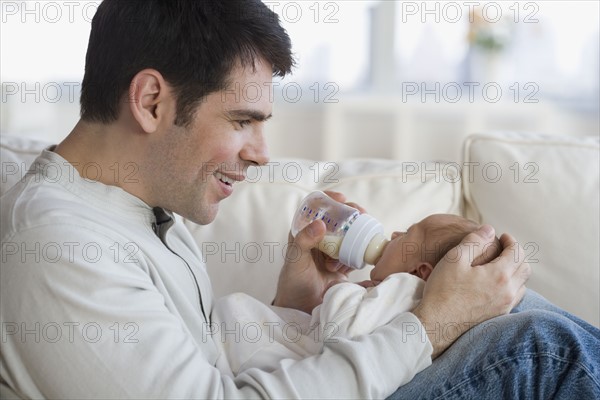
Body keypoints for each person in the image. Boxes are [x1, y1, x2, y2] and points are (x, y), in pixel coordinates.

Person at [0, 1, 598, 399]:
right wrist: (430, 323)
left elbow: (204, 367)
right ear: (152, 101)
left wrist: (297, 308)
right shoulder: (58, 246)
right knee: (537, 348)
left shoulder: (142, 207)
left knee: (513, 306)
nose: (262, 152)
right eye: (242, 120)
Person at [211, 214, 503, 376]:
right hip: (287, 363)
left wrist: (340, 291)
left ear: (421, 271)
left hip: (272, 365)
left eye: (408, 235)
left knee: (234, 314)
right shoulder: (404, 296)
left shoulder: (404, 287)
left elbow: (343, 334)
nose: (396, 233)